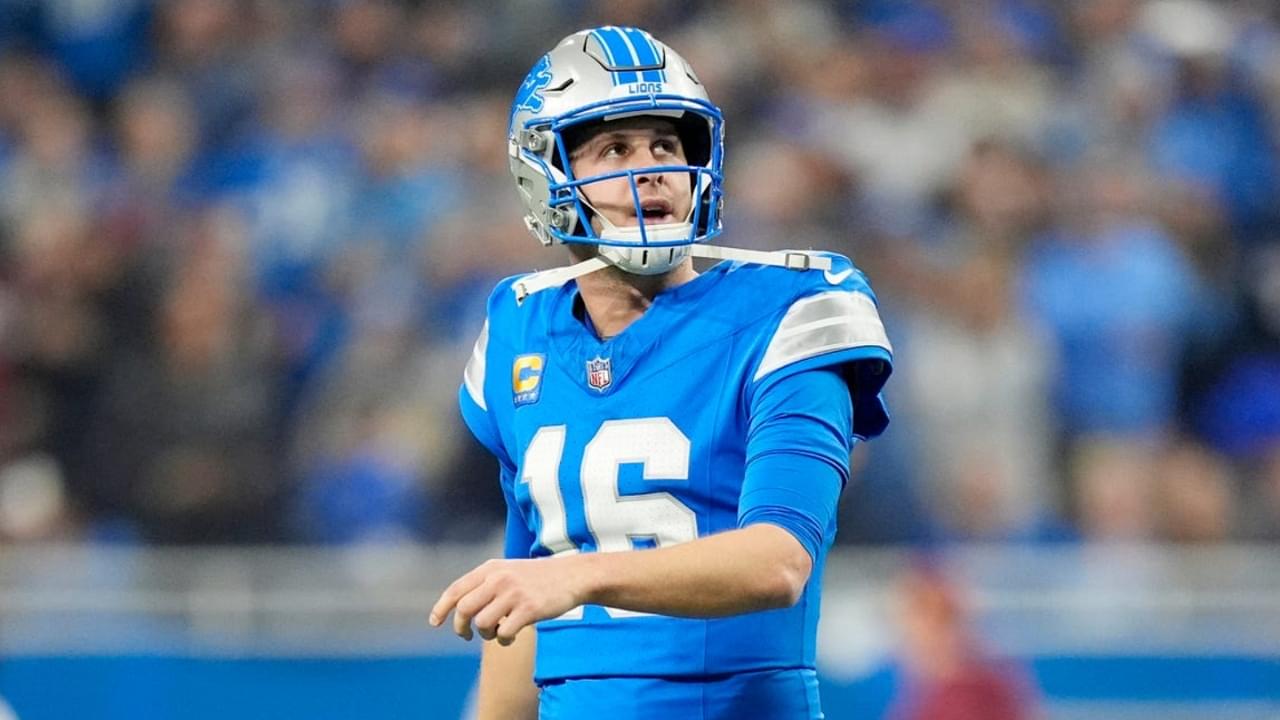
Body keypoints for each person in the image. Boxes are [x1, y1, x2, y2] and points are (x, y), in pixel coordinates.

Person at [429, 26, 893, 720]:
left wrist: (575, 577)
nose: (650, 168)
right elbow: (527, 601)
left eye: (666, 146)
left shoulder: (790, 313)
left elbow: (778, 561)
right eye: (615, 147)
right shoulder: (520, 333)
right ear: (546, 175)